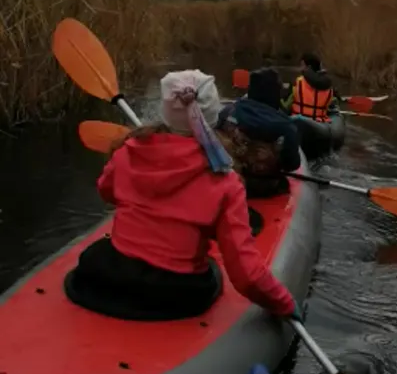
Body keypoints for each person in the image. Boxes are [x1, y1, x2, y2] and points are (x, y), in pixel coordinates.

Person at [64, 69, 298, 322]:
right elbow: (246, 273)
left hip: (114, 273)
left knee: (95, 254)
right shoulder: (226, 181)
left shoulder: (127, 152)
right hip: (175, 292)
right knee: (212, 270)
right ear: (212, 116)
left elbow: (106, 191)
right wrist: (283, 302)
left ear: (166, 110)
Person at [217, 66, 301, 198]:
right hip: (264, 188)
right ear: (274, 95)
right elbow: (292, 164)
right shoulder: (287, 127)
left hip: (230, 183)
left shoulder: (227, 112)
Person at [283, 52, 339, 122]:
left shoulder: (298, 83)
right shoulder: (329, 85)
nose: (300, 69)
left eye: (302, 65)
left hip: (298, 123)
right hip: (320, 123)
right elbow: (334, 103)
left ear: (308, 67)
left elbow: (286, 106)